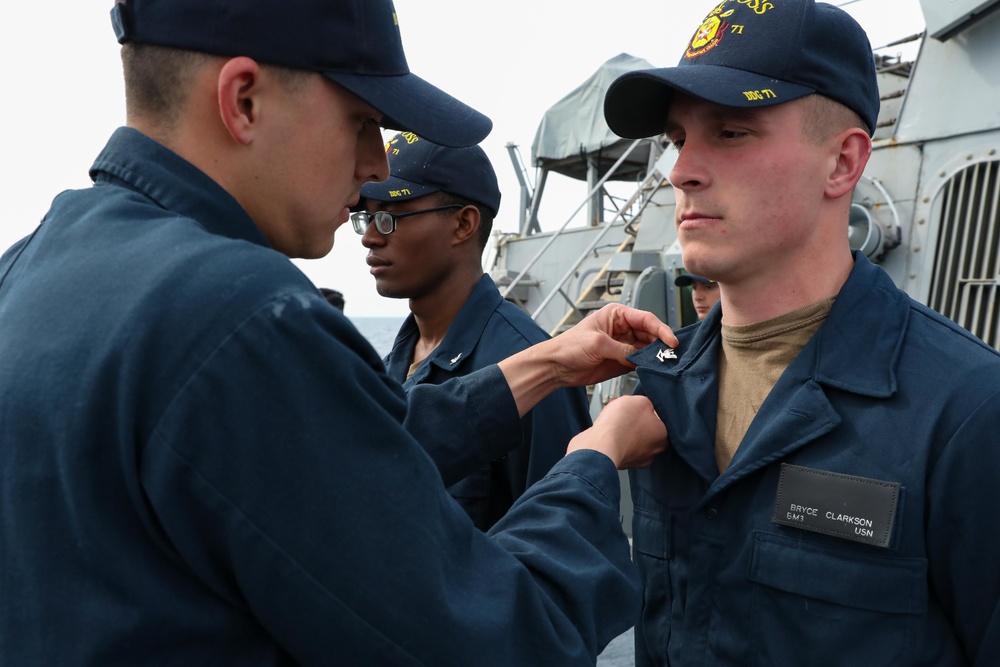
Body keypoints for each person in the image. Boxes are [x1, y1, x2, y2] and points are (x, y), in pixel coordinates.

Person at [0, 1, 679, 664]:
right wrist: (596, 458)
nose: (374, 169)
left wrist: (551, 363)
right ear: (243, 101)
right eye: (360, 122)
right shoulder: (246, 317)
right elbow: (509, 636)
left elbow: (324, 452)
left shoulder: (28, 270)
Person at [602, 0, 1000, 665]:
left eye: (730, 132)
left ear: (842, 163)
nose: (681, 171)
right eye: (677, 139)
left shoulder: (966, 413)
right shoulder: (661, 385)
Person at [355, 133, 593, 530]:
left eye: (390, 217)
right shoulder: (390, 365)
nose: (370, 236)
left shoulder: (532, 367)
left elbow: (563, 540)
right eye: (366, 217)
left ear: (463, 224)